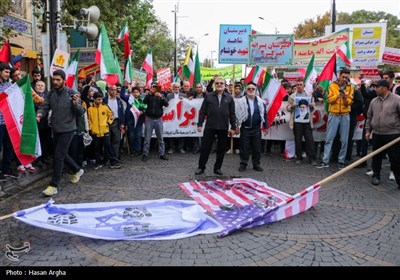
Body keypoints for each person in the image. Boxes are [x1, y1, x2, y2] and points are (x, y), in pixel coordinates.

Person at [36, 70, 85, 196]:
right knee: (60, 153)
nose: (55, 82)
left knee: (58, 156)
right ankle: (77, 169)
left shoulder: (72, 93)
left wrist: (75, 104)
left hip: (68, 129)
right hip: (55, 128)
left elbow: (81, 112)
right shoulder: (51, 93)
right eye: (54, 79)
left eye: (58, 80)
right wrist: (39, 114)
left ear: (64, 80)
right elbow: (45, 106)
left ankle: (53, 185)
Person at [195, 77, 237, 176]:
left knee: (221, 149)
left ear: (224, 85)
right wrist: (200, 124)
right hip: (210, 126)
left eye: (221, 83)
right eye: (217, 83)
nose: (219, 85)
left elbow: (232, 114)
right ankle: (201, 167)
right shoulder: (208, 96)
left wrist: (233, 127)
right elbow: (203, 111)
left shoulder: (229, 98)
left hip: (223, 127)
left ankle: (217, 168)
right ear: (215, 85)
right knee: (205, 148)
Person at [365, 79, 400, 188]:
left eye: (377, 87)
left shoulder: (397, 99)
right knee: (376, 156)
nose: (375, 89)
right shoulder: (374, 101)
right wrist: (367, 131)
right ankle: (376, 176)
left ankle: (399, 179)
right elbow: (369, 117)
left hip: (392, 134)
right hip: (377, 134)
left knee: (395, 158)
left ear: (385, 88)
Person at [317, 69, 353, 169]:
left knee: (344, 140)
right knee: (329, 138)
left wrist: (345, 98)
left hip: (345, 115)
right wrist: (338, 96)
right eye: (343, 77)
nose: (345, 79)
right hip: (333, 114)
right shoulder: (332, 85)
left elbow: (350, 102)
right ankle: (325, 161)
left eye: (346, 77)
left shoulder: (350, 87)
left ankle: (341, 161)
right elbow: (329, 100)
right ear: (339, 76)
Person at [236, 81, 268, 172]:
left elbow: (264, 114)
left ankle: (256, 164)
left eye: (252, 89)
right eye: (249, 89)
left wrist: (265, 126)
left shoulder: (261, 102)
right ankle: (243, 164)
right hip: (245, 128)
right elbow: (237, 115)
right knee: (244, 147)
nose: (250, 90)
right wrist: (236, 126)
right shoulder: (241, 101)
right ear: (246, 90)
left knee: (257, 148)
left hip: (256, 129)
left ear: (256, 90)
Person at [287, 79, 317, 165]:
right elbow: (288, 108)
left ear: (304, 86)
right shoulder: (292, 96)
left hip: (307, 121)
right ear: (296, 86)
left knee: (309, 140)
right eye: (298, 85)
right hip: (297, 121)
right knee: (298, 140)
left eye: (301, 84)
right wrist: (292, 106)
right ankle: (299, 157)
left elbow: (313, 108)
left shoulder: (309, 95)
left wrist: (312, 106)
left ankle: (312, 158)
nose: (299, 86)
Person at [142, 83, 169, 162]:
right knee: (147, 138)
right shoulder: (149, 95)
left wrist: (161, 97)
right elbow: (144, 102)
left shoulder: (161, 95)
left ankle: (162, 154)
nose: (153, 88)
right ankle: (145, 154)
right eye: (152, 87)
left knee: (160, 138)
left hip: (158, 119)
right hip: (149, 119)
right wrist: (149, 94)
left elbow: (166, 104)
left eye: (155, 87)